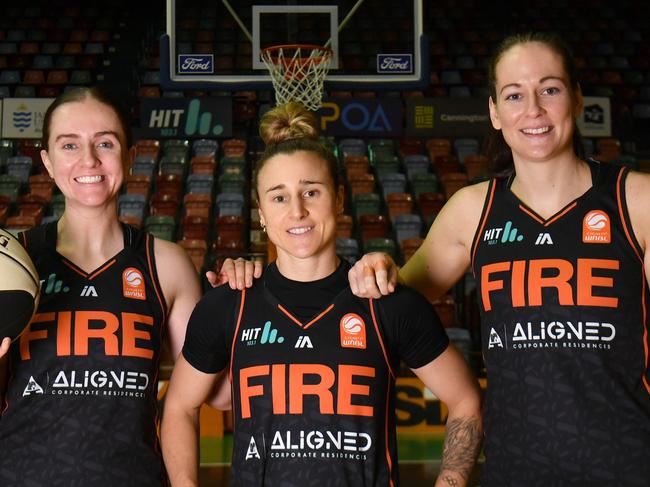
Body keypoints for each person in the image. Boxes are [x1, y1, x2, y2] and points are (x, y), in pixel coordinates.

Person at [345, 32, 650, 485]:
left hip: (628, 466)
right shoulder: (473, 210)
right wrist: (378, 265)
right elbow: (393, 303)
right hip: (513, 471)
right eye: (514, 94)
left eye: (550, 89)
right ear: (494, 111)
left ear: (577, 97)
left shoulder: (637, 200)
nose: (533, 110)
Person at [161, 102, 482, 487]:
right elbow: (179, 406)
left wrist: (451, 482)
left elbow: (466, 399)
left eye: (311, 192)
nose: (297, 211)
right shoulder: (230, 301)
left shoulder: (386, 300)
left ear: (340, 199)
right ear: (260, 212)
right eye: (279, 197)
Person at [0, 87, 203, 486]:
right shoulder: (11, 268)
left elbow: (204, 399)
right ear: (47, 160)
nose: (89, 160)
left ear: (129, 155)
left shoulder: (168, 264)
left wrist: (241, 295)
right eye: (69, 144)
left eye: (105, 143)